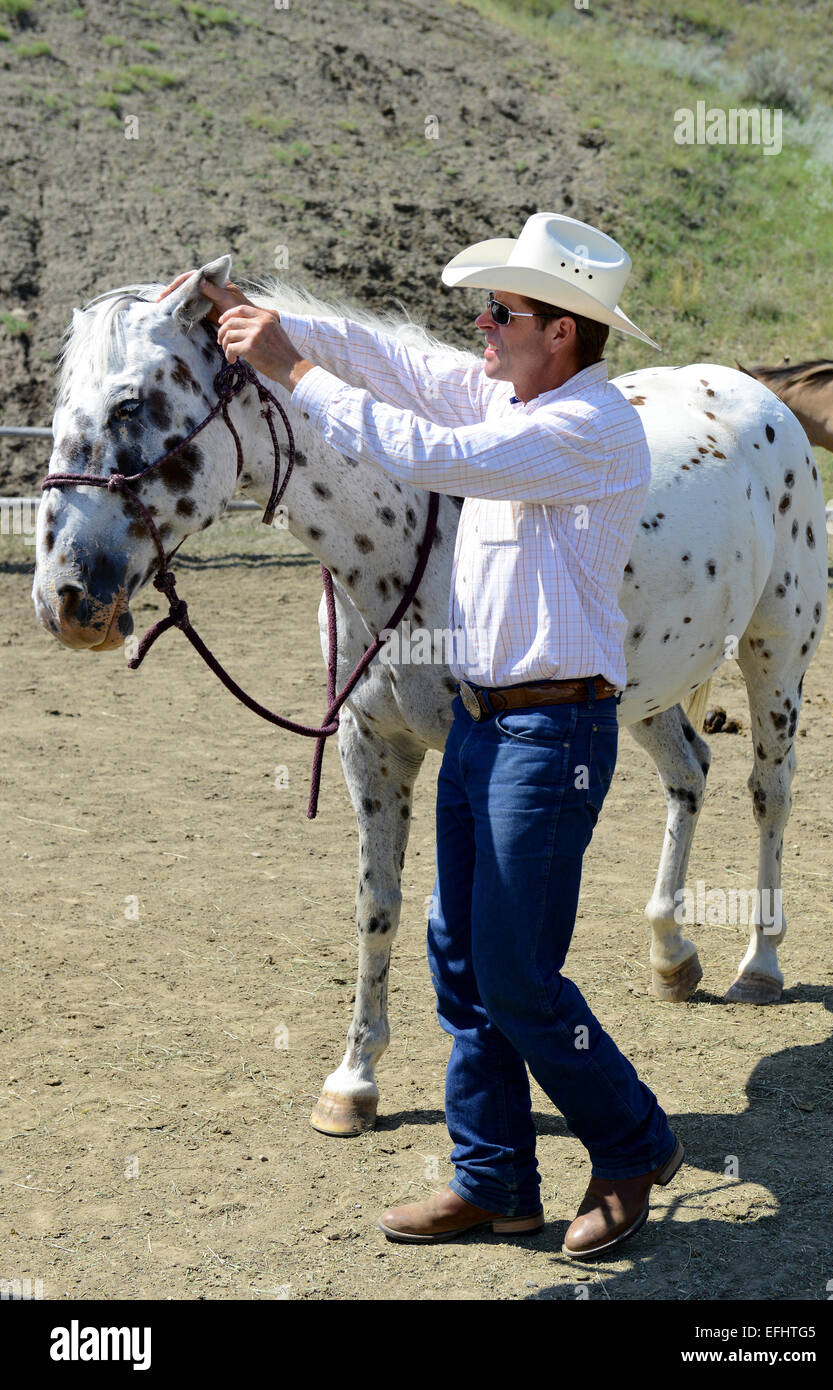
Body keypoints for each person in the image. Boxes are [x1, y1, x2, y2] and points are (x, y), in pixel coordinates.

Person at [159, 212, 684, 1258]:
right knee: (459, 958)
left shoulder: (583, 426)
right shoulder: (514, 389)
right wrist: (258, 315)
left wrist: (290, 369)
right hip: (484, 723)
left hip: (551, 734)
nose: (479, 325)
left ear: (563, 333)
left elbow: (423, 446)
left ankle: (632, 1139)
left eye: (501, 310)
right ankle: (494, 1182)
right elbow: (395, 362)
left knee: (518, 977)